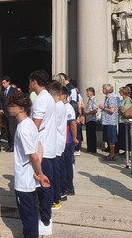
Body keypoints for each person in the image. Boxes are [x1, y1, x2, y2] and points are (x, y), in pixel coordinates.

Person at [7, 92, 50, 238]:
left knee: (28, 217)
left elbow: (33, 156)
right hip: (30, 177)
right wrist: (38, 172)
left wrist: (40, 174)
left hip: (24, 180)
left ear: (21, 108)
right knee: (31, 213)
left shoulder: (23, 129)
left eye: (12, 106)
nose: (9, 108)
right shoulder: (30, 124)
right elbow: (39, 146)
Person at [29, 70, 56, 236]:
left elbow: (34, 126)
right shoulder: (49, 98)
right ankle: (46, 215)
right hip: (48, 147)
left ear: (34, 82)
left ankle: (45, 220)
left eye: (30, 82)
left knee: (43, 184)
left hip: (42, 149)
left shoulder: (40, 100)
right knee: (46, 183)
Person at [48, 80, 66, 210]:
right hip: (58, 143)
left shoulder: (57, 107)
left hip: (55, 144)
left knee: (55, 173)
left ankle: (56, 199)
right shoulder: (61, 106)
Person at [60, 86, 78, 201]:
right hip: (63, 141)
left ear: (64, 96)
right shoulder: (62, 107)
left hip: (67, 141)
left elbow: (72, 124)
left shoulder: (68, 108)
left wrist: (75, 138)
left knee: (67, 165)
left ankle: (68, 187)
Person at [99, 84, 118, 161]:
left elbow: (112, 110)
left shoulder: (111, 97)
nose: (102, 90)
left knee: (111, 139)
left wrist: (103, 107)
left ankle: (112, 154)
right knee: (109, 139)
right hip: (107, 121)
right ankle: (111, 153)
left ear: (107, 89)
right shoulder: (108, 97)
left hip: (111, 121)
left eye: (103, 88)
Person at [0, 76, 18, 152]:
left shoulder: (14, 90)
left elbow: (16, 100)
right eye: (2, 83)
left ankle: (13, 146)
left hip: (12, 113)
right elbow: (0, 101)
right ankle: (9, 145)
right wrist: (0, 109)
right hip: (5, 113)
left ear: (8, 82)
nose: (3, 84)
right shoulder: (2, 91)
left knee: (11, 130)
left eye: (4, 83)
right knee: (7, 130)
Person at [117, 86, 132, 154]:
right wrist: (120, 108)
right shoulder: (122, 100)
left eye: (120, 91)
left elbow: (125, 110)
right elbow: (119, 108)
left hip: (125, 121)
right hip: (121, 120)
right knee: (122, 136)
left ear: (124, 92)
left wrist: (120, 108)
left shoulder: (128, 100)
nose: (119, 92)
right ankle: (125, 150)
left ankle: (128, 151)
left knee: (126, 136)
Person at [83, 87, 98, 153]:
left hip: (92, 119)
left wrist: (87, 112)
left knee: (92, 135)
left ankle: (93, 149)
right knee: (88, 134)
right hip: (88, 119)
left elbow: (95, 110)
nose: (87, 93)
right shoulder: (89, 100)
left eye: (88, 92)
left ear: (92, 92)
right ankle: (89, 148)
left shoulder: (94, 99)